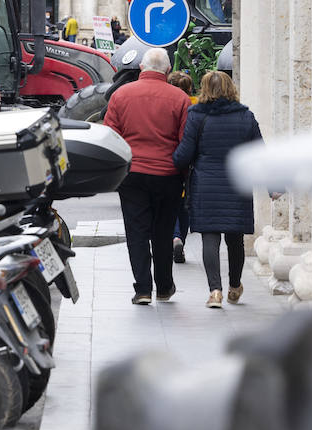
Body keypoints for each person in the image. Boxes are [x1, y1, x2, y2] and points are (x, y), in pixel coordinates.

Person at [103, 47, 191, 304]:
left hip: (132, 174)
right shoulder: (180, 99)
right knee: (163, 233)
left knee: (136, 232)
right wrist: (182, 173)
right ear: (168, 70)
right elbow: (185, 142)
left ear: (141, 68)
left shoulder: (121, 96)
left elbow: (111, 136)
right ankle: (164, 287)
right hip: (168, 175)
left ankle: (142, 289)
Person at [171, 71, 262, 308]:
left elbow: (184, 154)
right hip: (237, 183)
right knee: (235, 239)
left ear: (204, 89)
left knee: (209, 238)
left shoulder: (196, 115)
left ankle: (215, 291)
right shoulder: (246, 116)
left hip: (206, 185)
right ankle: (234, 285)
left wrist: (172, 160)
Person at [166, 71, 195, 264]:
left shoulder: (166, 103)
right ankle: (180, 240)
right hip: (189, 164)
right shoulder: (196, 105)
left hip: (168, 160)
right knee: (184, 207)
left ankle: (174, 237)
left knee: (169, 205)